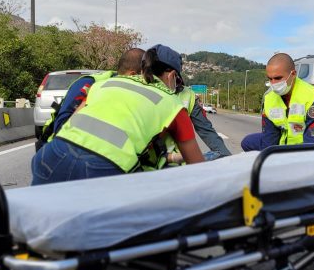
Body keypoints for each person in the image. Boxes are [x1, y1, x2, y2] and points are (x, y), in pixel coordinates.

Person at [31, 45, 204, 185]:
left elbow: (73, 120)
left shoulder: (105, 84)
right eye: (178, 82)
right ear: (172, 76)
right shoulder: (173, 105)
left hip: (51, 155)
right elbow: (198, 169)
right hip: (103, 170)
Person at [34, 48, 145, 151]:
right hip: (58, 149)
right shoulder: (89, 84)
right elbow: (62, 127)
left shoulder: (126, 90)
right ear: (132, 74)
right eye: (147, 77)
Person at [241, 53, 314, 151]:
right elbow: (270, 138)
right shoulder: (269, 99)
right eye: (270, 79)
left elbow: (312, 139)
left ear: (293, 74)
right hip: (287, 142)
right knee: (247, 142)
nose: (273, 83)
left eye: (278, 78)